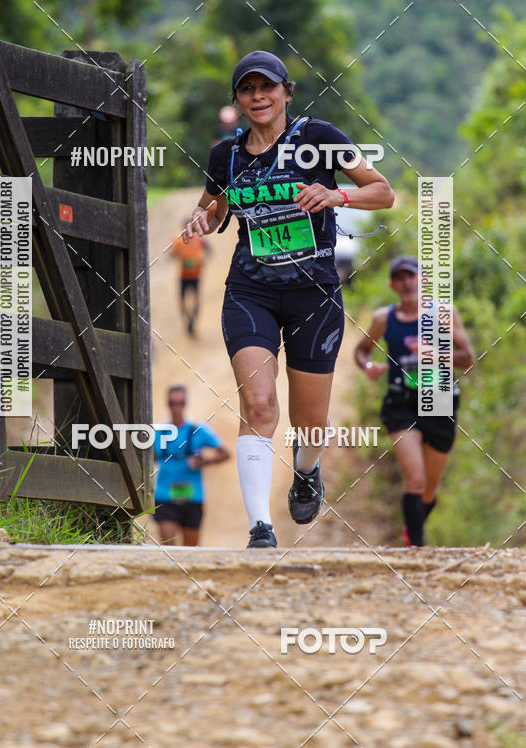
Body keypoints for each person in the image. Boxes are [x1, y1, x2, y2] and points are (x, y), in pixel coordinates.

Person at [182, 49, 394, 548]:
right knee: (258, 406)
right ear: (237, 98)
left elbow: (383, 192)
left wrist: (338, 195)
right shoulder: (226, 155)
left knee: (311, 422)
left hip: (314, 294)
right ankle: (260, 530)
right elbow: (210, 212)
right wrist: (199, 221)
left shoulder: (319, 139)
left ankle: (306, 470)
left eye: (267, 87)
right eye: (247, 89)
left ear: (286, 92)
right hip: (250, 291)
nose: (258, 97)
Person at [354, 255, 475, 547]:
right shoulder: (384, 318)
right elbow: (362, 350)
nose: (407, 282)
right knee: (416, 478)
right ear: (393, 285)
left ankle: (413, 529)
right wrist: (368, 366)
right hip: (401, 403)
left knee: (429, 489)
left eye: (412, 276)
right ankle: (416, 549)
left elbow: (467, 358)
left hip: (440, 400)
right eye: (401, 278)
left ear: (422, 280)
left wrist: (434, 354)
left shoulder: (444, 313)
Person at [152, 384, 230, 546]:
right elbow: (148, 459)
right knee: (168, 548)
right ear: (168, 404)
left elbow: (225, 453)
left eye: (180, 403)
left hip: (192, 497)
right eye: (172, 403)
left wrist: (205, 461)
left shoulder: (198, 430)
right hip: (165, 496)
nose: (176, 408)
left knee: (190, 551)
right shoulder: (157, 432)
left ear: (185, 404)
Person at [170, 221, 210, 336]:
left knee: (194, 301)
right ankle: (189, 323)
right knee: (183, 302)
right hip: (184, 275)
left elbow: (209, 251)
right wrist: (180, 256)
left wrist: (201, 259)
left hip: (195, 275)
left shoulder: (200, 240)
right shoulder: (178, 240)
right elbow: (171, 254)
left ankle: (191, 324)